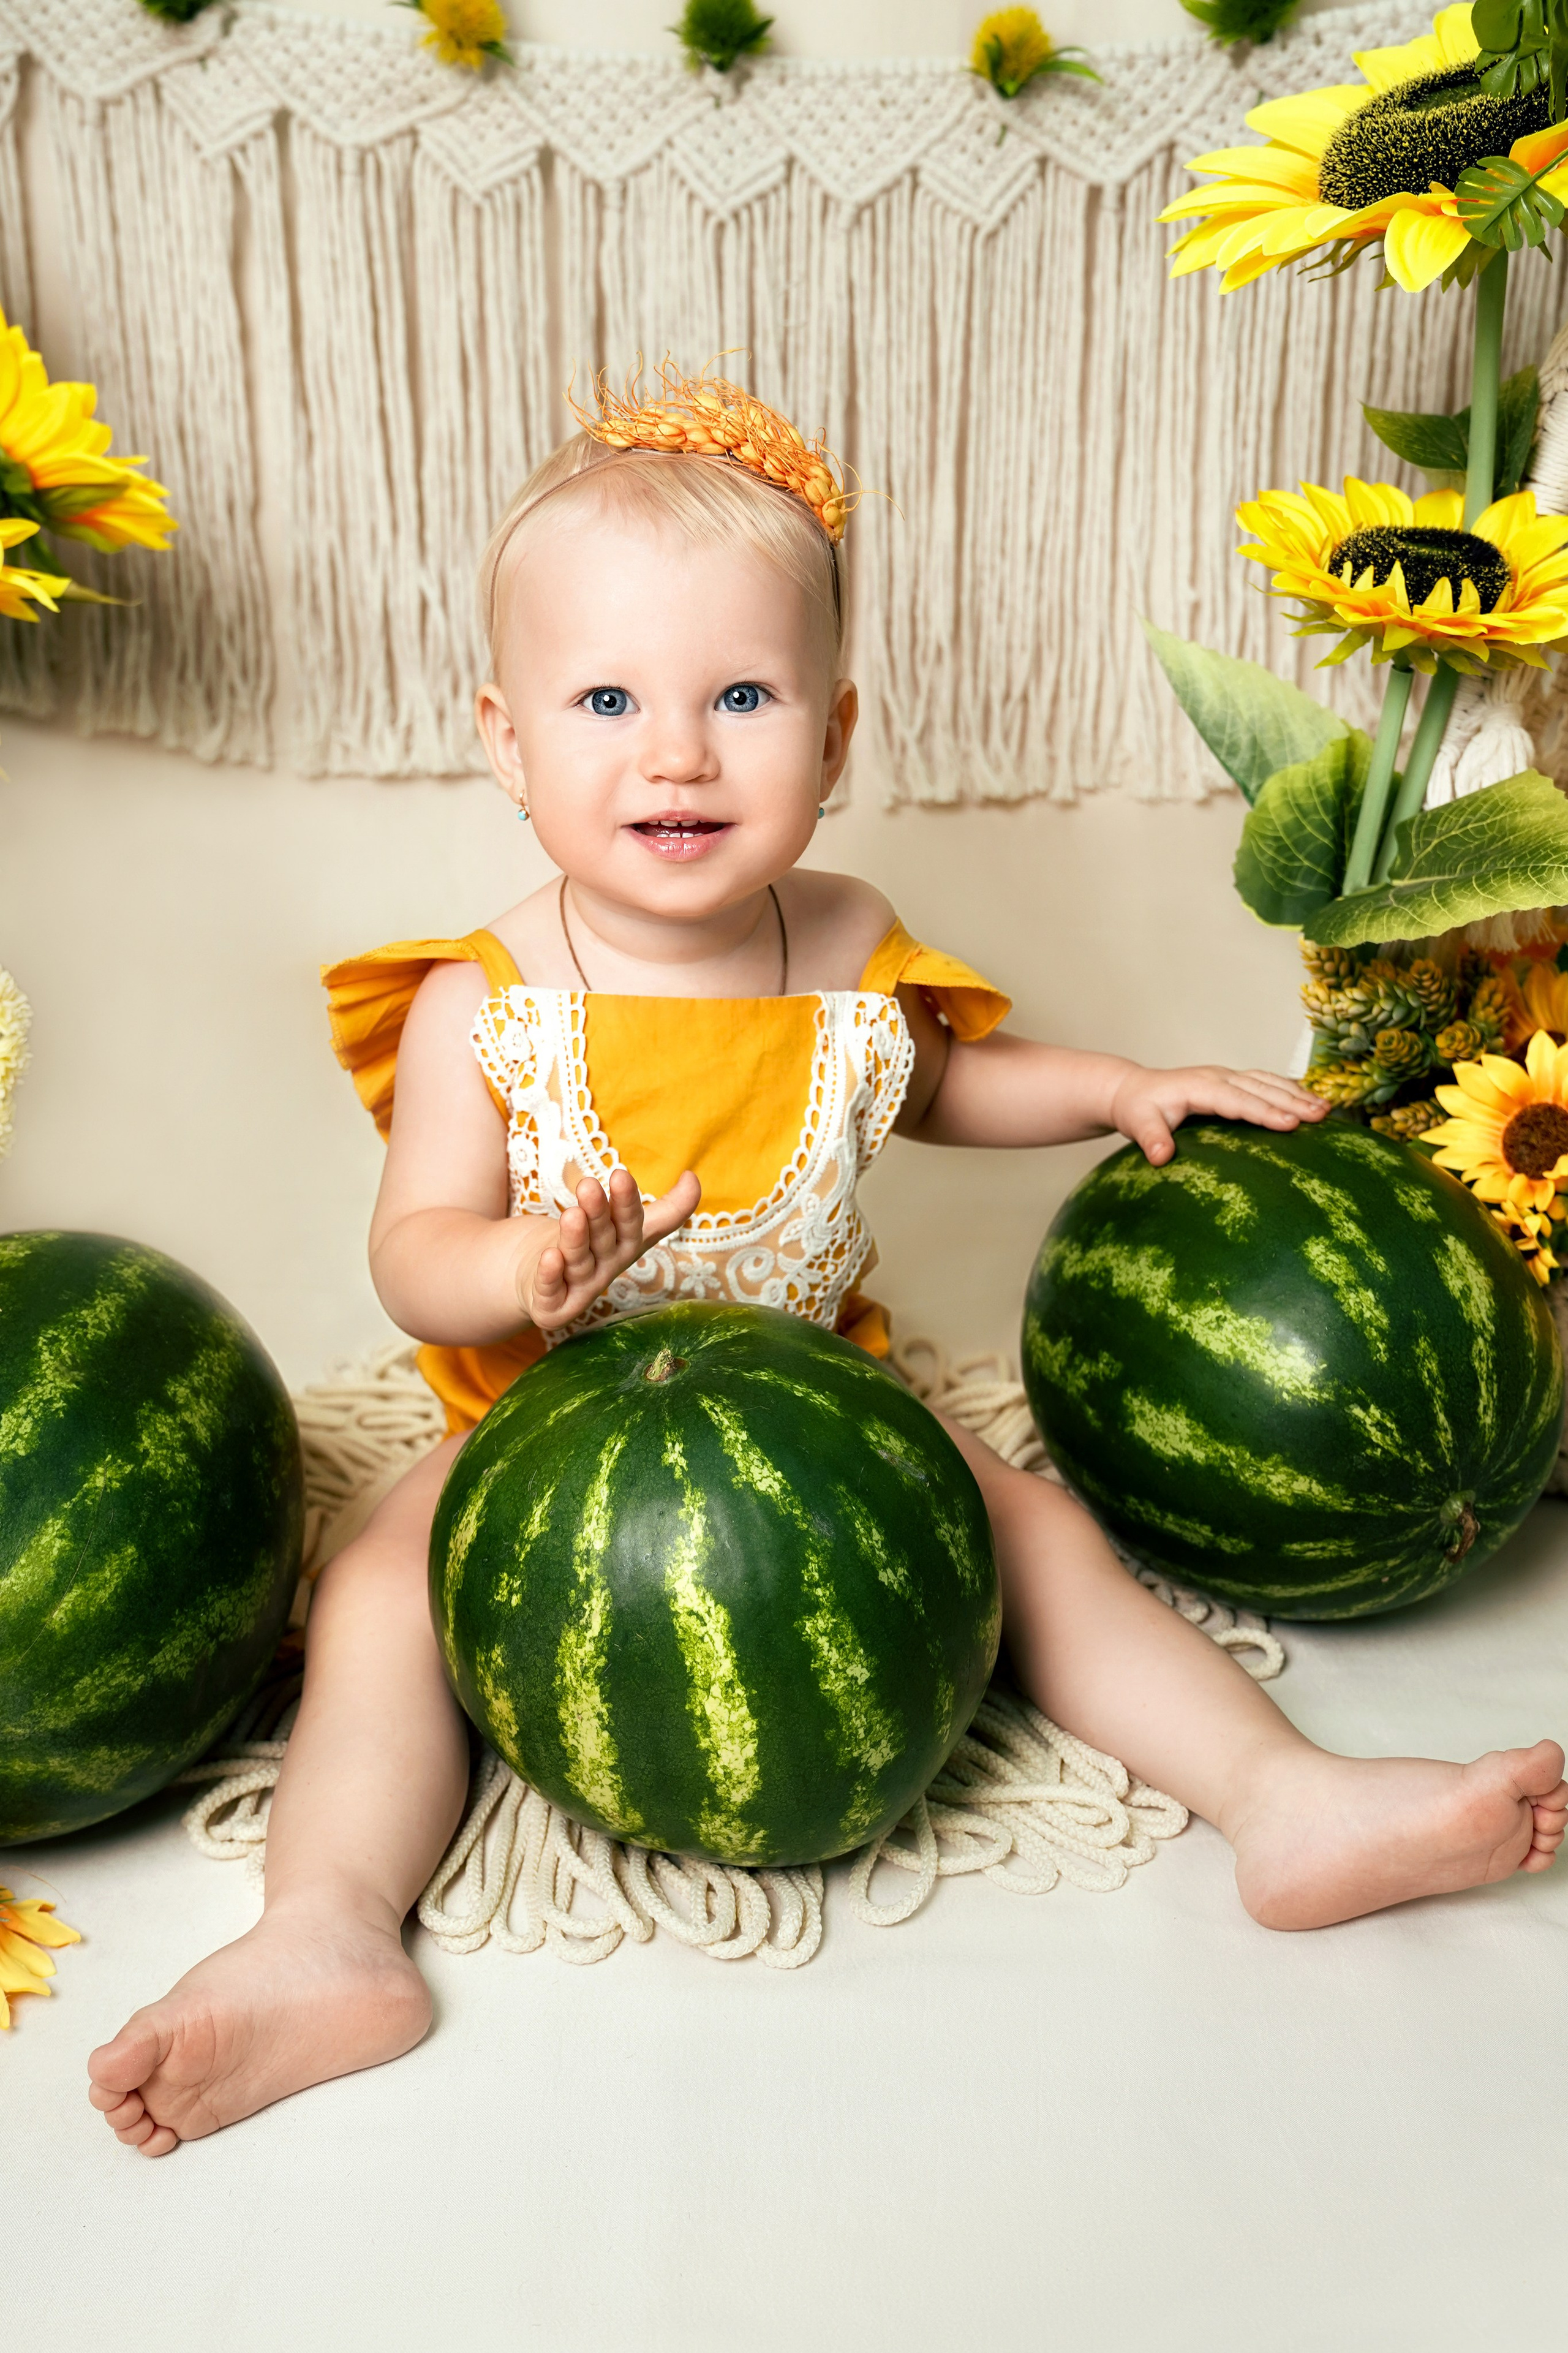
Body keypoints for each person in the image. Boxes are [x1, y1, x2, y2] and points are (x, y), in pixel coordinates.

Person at [88, 369, 1567, 2157]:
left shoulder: (846, 937)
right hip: (556, 1423)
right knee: (381, 1589)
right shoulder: (486, 1000)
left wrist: (1118, 1085)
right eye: (610, 698)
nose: (679, 751)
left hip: (828, 1401)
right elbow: (410, 1254)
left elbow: (942, 1082)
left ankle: (1283, 1800)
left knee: (1029, 1526)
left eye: (743, 696)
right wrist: (520, 1269)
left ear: (838, 736)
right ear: (505, 737)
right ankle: (325, 1931)